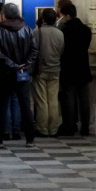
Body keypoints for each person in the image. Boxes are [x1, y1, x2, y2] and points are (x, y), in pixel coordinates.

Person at [0, 3, 39, 147]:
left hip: (5, 74)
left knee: (3, 106)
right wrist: (25, 65)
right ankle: (30, 138)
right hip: (22, 74)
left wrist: (13, 65)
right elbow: (34, 50)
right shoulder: (27, 30)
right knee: (25, 106)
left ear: (3, 15)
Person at [56, 0, 94, 136]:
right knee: (84, 99)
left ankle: (70, 126)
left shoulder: (64, 30)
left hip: (68, 67)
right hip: (83, 66)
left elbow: (62, 49)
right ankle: (85, 127)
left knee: (69, 97)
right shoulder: (86, 30)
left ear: (66, 15)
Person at [33, 8, 65, 137]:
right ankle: (54, 128)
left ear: (43, 19)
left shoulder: (36, 32)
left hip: (41, 70)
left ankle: (43, 128)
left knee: (41, 100)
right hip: (55, 69)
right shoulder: (60, 33)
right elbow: (61, 51)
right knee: (53, 100)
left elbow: (33, 51)